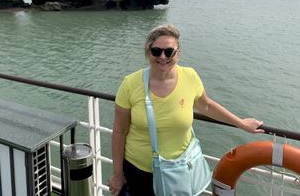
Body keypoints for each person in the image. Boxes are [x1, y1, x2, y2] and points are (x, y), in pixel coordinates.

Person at [108, 24, 264, 196]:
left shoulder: (190, 77)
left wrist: (241, 123)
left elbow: (206, 105)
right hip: (139, 171)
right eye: (156, 51)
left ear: (178, 53)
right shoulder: (130, 84)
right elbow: (119, 132)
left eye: (169, 52)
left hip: (180, 169)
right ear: (148, 52)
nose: (162, 57)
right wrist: (117, 174)